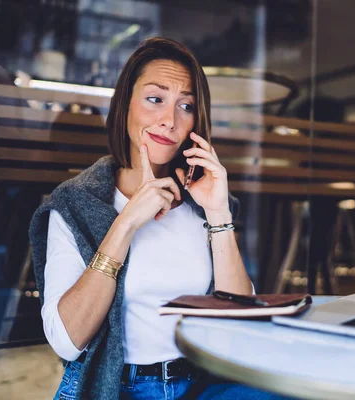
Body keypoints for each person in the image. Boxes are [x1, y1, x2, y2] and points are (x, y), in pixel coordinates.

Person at [29, 37, 283, 399]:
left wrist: (218, 212)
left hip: (203, 382)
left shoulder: (200, 202)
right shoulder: (75, 203)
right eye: (155, 99)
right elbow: (67, 343)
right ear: (125, 105)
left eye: (186, 105)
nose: (170, 120)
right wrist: (127, 221)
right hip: (120, 388)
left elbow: (238, 322)